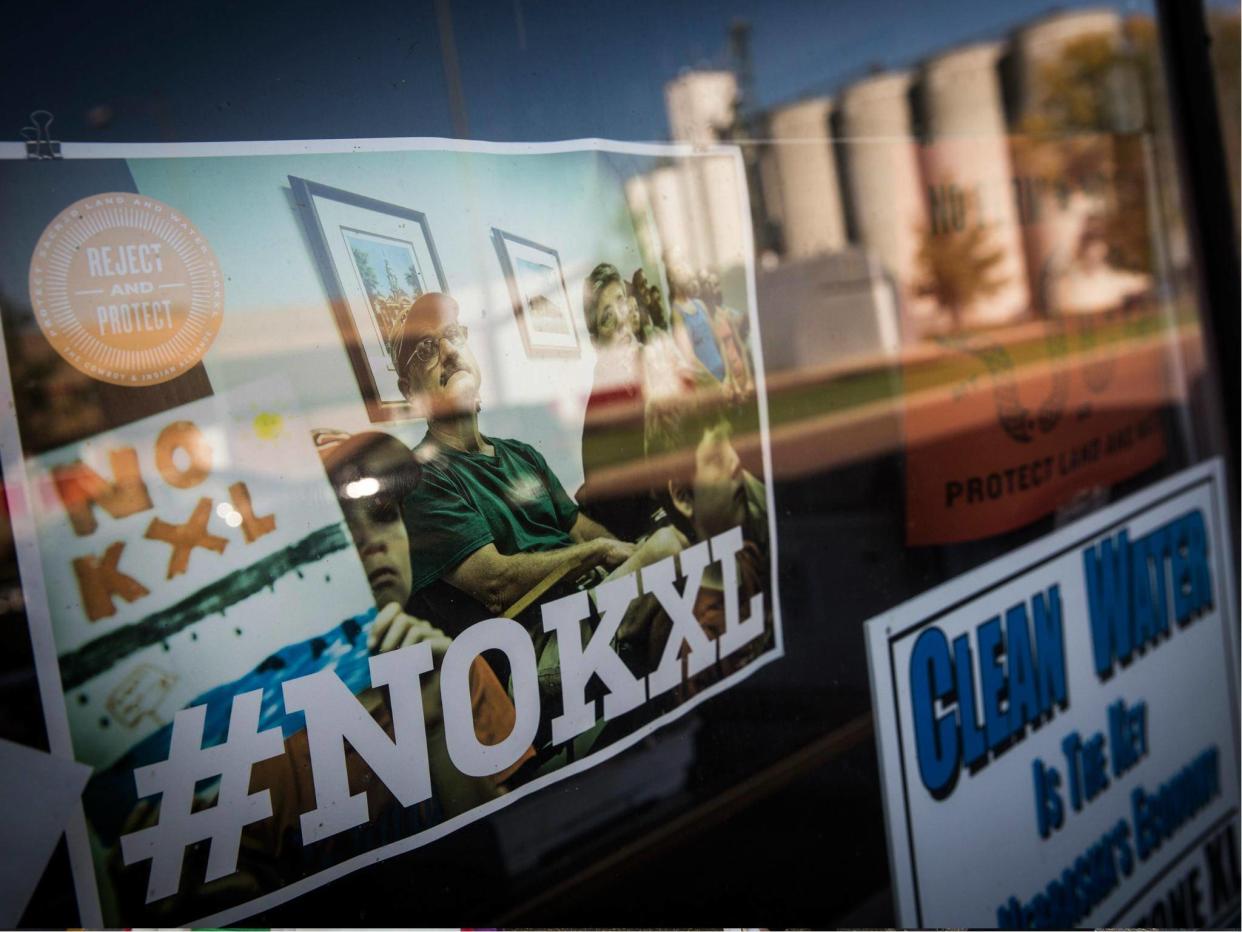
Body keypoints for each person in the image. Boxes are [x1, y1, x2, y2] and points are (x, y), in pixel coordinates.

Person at [613, 389, 770, 698]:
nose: (736, 462)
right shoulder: (692, 645)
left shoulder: (748, 556)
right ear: (683, 497)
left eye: (731, 448)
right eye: (716, 457)